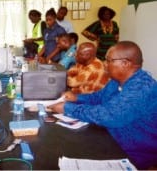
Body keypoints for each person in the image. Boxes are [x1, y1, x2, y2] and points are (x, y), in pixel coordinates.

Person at [48, 41, 157, 169]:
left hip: (132, 153)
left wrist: (67, 108)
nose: (105, 64)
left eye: (109, 60)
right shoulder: (117, 80)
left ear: (125, 64)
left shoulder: (141, 88)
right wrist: (76, 97)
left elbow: (109, 116)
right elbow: (99, 97)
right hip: (110, 137)